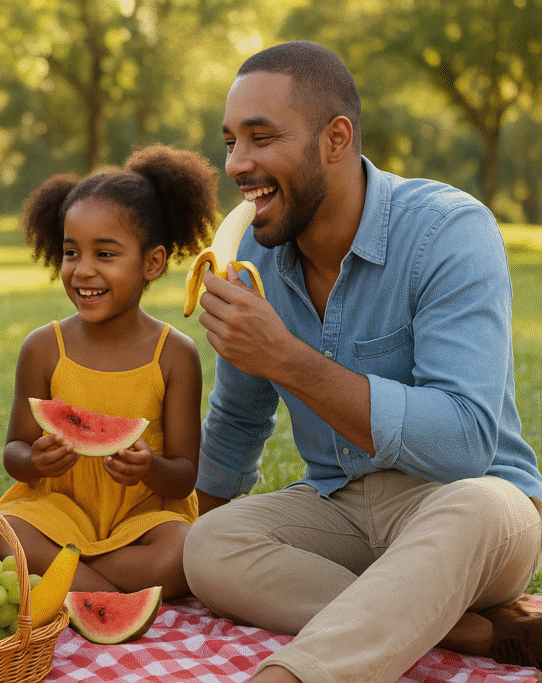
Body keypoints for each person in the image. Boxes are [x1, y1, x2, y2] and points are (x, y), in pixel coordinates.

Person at [183, 40, 542, 683]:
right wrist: (193, 538)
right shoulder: (255, 261)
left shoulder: (450, 231)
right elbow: (237, 420)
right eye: (231, 141)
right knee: (211, 545)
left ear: (336, 138)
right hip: (339, 506)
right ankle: (461, 626)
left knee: (488, 506)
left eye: (261, 139)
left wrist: (289, 359)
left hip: (461, 507)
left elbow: (465, 442)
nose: (238, 163)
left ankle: (292, 676)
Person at [0, 145, 216, 598]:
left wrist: (149, 467)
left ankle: (67, 578)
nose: (83, 270)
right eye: (72, 252)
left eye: (106, 255)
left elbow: (185, 474)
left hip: (141, 519)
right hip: (58, 510)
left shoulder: (175, 354)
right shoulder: (43, 348)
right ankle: (102, 596)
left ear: (152, 262)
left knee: (182, 551)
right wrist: (34, 460)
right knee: (3, 529)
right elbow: (13, 452)